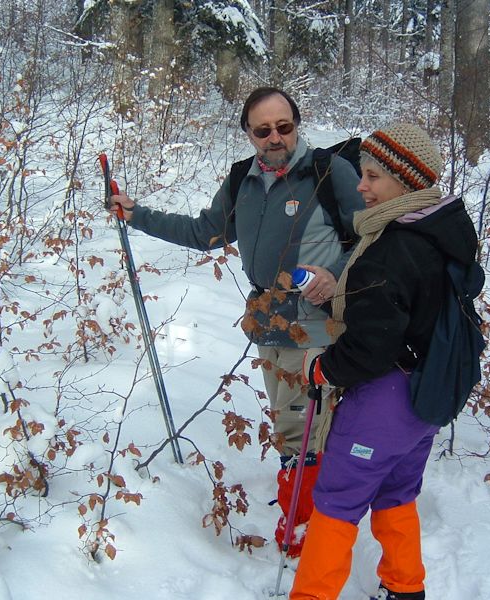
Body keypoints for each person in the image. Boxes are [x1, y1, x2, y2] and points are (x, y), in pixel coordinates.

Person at [107, 87, 365, 557]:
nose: (274, 137)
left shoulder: (330, 172)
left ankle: (305, 534)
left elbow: (374, 239)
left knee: (303, 428)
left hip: (316, 321)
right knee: (289, 426)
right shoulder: (242, 180)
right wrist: (136, 214)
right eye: (262, 130)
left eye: (283, 126)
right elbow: (202, 231)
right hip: (267, 318)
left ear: (297, 124)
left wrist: (336, 273)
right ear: (248, 133)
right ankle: (305, 514)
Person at [289, 122, 479, 599]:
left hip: (384, 400)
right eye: (362, 173)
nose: (361, 186)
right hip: (426, 395)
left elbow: (372, 345)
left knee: (337, 500)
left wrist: (323, 368)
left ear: (407, 181)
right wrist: (342, 298)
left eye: (373, 176)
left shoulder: (390, 249)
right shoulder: (441, 229)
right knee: (397, 492)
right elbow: (405, 308)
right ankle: (405, 587)